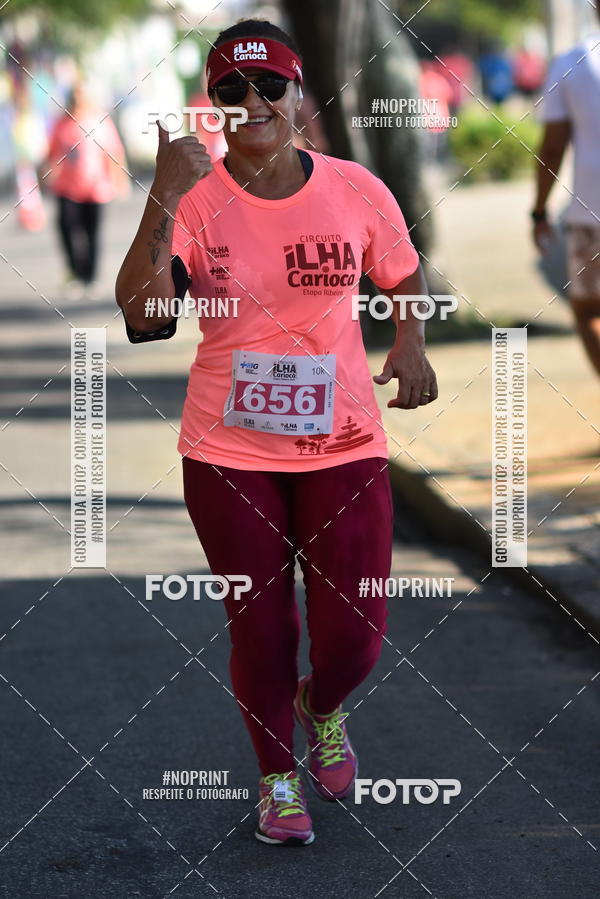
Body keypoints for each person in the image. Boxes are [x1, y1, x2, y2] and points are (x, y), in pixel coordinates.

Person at [116, 18, 438, 847]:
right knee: (260, 623)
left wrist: (409, 341)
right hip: (229, 452)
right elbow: (145, 317)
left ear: (301, 94)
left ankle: (319, 706)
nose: (251, 102)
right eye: (231, 89)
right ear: (214, 103)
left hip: (345, 443)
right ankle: (274, 779)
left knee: (356, 636)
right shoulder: (194, 198)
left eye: (270, 87)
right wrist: (162, 190)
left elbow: (401, 269)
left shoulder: (356, 189)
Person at [533, 5, 600, 376]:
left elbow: (552, 148)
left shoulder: (573, 61)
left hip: (591, 214)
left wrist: (540, 211)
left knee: (590, 311)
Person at [46, 81, 128, 299]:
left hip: (96, 188)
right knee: (66, 227)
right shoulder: (61, 124)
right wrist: (46, 174)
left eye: (81, 97)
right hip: (67, 188)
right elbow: (51, 153)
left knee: (92, 233)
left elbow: (114, 153)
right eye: (74, 97)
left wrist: (120, 180)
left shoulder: (100, 121)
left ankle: (90, 277)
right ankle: (74, 273)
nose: (77, 101)